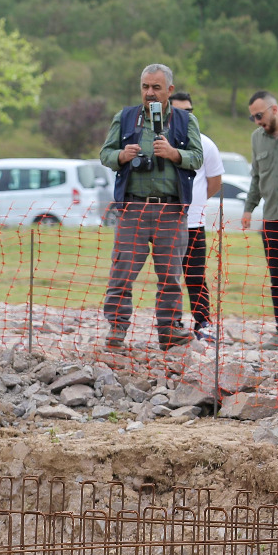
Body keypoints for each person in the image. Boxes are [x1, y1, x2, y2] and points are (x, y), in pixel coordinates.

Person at [99, 63, 204, 350]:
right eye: (146, 86)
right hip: (133, 209)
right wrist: (121, 155)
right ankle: (117, 328)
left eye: (156, 87)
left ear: (169, 89)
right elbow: (104, 154)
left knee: (170, 275)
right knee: (122, 272)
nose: (150, 93)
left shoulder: (185, 121)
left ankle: (169, 331)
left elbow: (197, 157)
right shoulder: (125, 117)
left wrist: (173, 153)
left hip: (171, 211)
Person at [168, 92, 224, 343]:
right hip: (165, 223)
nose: (185, 116)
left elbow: (214, 183)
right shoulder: (160, 143)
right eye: (180, 111)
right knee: (169, 276)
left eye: (189, 111)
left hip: (193, 224)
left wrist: (196, 204)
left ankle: (203, 323)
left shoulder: (206, 144)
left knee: (196, 275)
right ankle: (172, 322)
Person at [242, 91, 278, 348]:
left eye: (259, 115)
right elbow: (256, 179)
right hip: (273, 220)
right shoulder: (256, 139)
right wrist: (249, 208)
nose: (257, 121)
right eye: (253, 117)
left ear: (274, 109)